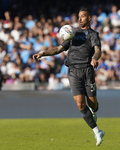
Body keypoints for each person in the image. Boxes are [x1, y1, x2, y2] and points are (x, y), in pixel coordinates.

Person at [33, 8, 105, 146]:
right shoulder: (72, 33)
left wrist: (95, 58)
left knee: (92, 104)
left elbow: (98, 50)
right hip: (73, 71)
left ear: (89, 18)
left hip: (87, 70)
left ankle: (94, 110)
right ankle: (97, 131)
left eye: (83, 16)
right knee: (80, 104)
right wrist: (43, 53)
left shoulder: (93, 34)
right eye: (79, 16)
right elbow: (59, 48)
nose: (80, 19)